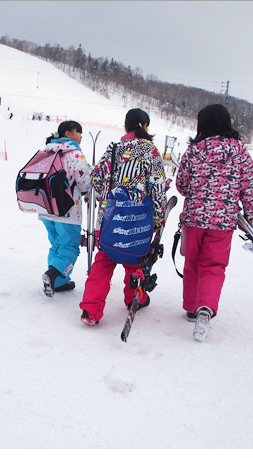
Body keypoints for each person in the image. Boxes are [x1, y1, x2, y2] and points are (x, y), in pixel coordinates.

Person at [175, 104, 253, 342]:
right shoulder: (240, 152)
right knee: (213, 266)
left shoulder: (193, 150)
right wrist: (250, 214)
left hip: (193, 218)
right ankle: (205, 310)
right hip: (223, 221)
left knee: (192, 261)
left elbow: (181, 185)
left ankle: (191, 307)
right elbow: (249, 185)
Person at [79, 109, 168, 326]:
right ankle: (134, 298)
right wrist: (158, 218)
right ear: (142, 125)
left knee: (104, 261)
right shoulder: (151, 151)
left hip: (110, 218)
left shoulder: (114, 148)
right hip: (139, 220)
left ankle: (90, 310)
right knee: (135, 260)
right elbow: (157, 187)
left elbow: (97, 180)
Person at [40, 121, 93, 297]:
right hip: (68, 210)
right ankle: (53, 274)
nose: (81, 137)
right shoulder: (75, 154)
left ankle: (59, 282)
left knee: (56, 244)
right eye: (79, 132)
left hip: (47, 208)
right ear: (69, 134)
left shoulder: (47, 150)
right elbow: (84, 183)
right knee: (70, 246)